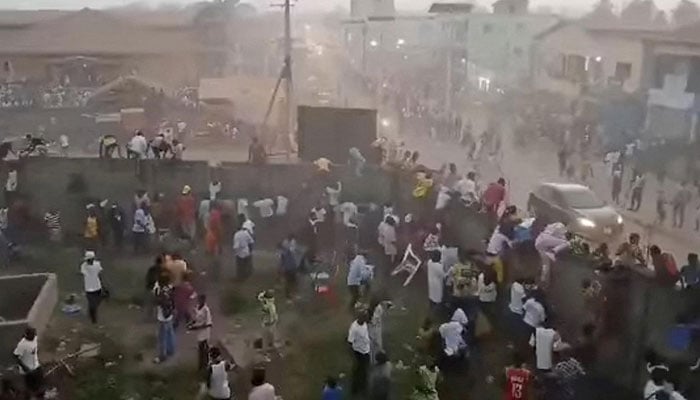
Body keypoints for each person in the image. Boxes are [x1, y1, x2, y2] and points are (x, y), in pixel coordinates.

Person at [13, 327, 41, 398]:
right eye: (32, 334)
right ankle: (29, 396)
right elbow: (15, 356)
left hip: (36, 365)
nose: (33, 336)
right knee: (29, 385)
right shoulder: (22, 344)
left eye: (33, 334)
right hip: (27, 369)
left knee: (38, 382)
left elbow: (35, 335)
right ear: (27, 335)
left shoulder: (35, 338)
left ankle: (37, 393)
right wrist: (24, 367)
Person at [153, 274, 175, 363]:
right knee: (170, 333)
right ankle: (171, 350)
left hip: (162, 316)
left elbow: (157, 300)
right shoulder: (170, 288)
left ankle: (162, 356)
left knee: (162, 337)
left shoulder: (160, 291)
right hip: (169, 314)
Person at [347, 313, 371, 395]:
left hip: (366, 350)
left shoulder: (364, 324)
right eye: (365, 318)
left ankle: (363, 387)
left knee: (364, 370)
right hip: (359, 352)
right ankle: (355, 389)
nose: (367, 320)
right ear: (360, 318)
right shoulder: (354, 328)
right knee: (357, 371)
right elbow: (350, 342)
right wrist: (353, 356)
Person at [188, 294, 212, 371]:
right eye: (199, 300)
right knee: (201, 349)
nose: (200, 301)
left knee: (203, 349)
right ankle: (202, 365)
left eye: (201, 300)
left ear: (204, 300)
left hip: (204, 332)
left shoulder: (206, 310)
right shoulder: (198, 307)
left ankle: (204, 365)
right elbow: (196, 318)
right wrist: (192, 323)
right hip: (199, 332)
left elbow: (208, 324)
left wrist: (195, 327)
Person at [80, 250, 103, 324]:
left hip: (97, 286)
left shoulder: (97, 264)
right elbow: (84, 273)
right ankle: (94, 320)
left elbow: (100, 273)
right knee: (92, 304)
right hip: (89, 288)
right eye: (88, 260)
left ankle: (91, 313)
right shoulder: (84, 266)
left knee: (96, 302)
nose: (89, 261)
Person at [368, 298, 389, 363]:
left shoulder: (378, 309)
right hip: (373, 330)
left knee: (377, 345)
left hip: (375, 330)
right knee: (372, 346)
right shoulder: (377, 308)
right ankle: (373, 360)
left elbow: (374, 321)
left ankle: (377, 360)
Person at [427, 250, 445, 315]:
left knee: (432, 296)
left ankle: (431, 310)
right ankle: (436, 313)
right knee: (437, 298)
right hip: (437, 284)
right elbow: (443, 275)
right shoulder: (438, 266)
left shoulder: (429, 262)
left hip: (431, 282)